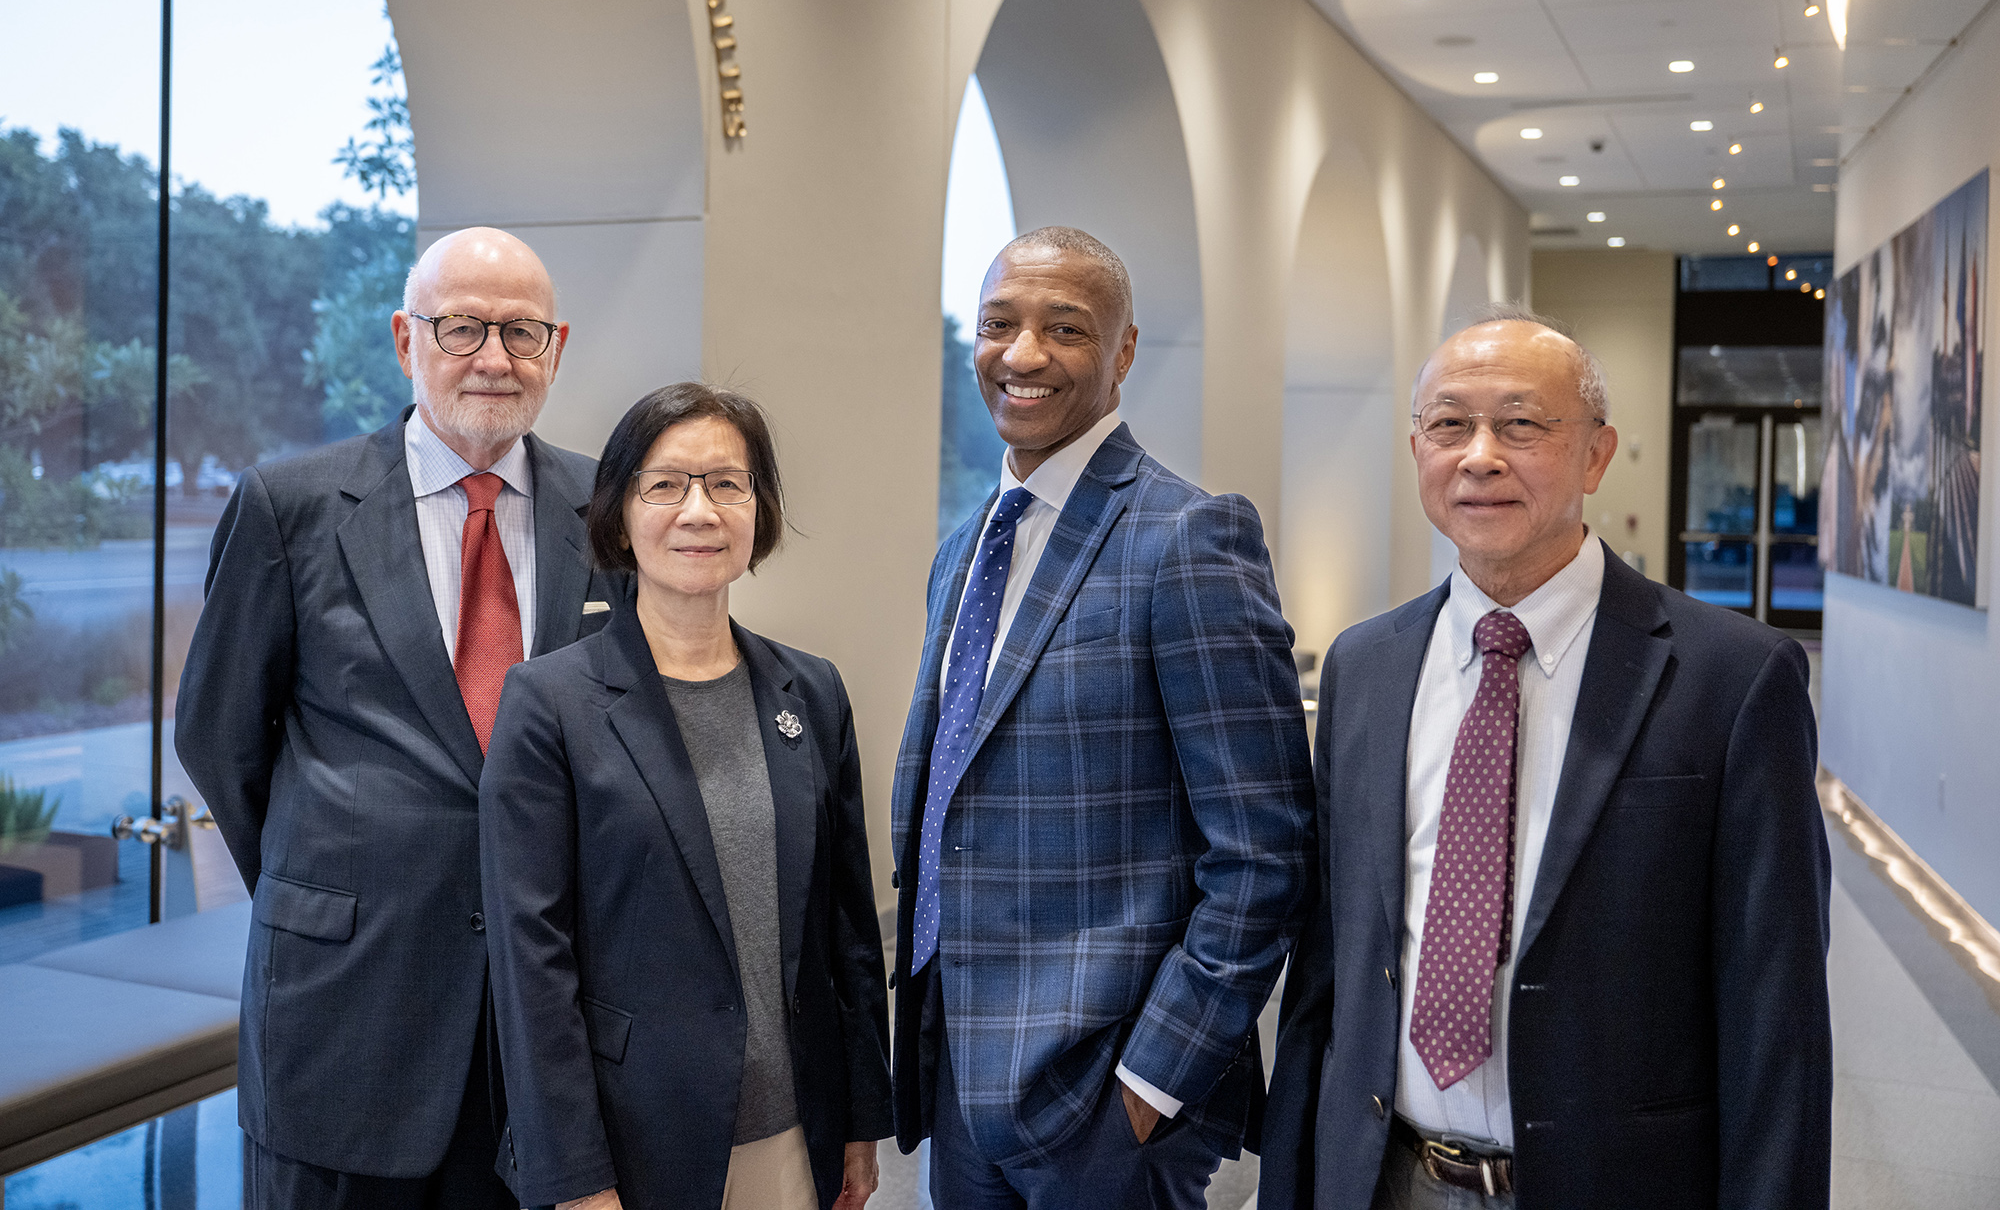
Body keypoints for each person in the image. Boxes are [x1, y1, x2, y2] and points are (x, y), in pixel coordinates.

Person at [1260, 311, 1831, 1210]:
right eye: (1449, 424)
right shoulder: (1364, 667)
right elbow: (1327, 972)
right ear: (1417, 450)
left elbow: (1778, 1018)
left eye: (1521, 424)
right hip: (1382, 1174)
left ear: (1597, 456)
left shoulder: (1734, 678)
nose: (1479, 455)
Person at [177, 227, 627, 1208]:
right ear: (403, 338)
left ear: (557, 347)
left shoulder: (606, 508)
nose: (494, 359)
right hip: (343, 1010)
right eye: (462, 327)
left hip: (545, 1017)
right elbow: (218, 734)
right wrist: (331, 872)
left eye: (520, 332)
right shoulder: (289, 506)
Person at [889, 227, 1315, 1209]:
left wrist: (1149, 1082)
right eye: (999, 324)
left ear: (1122, 351)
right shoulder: (963, 548)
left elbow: (1263, 851)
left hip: (1106, 1105)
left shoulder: (1188, 537)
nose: (1023, 353)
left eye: (1064, 327)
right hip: (958, 1074)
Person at [479, 383, 893, 1210]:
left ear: (758, 509)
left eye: (726, 484)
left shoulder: (809, 690)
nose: (698, 511)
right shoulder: (549, 703)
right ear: (619, 513)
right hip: (632, 1148)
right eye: (664, 484)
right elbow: (532, 967)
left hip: (791, 1132)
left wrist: (859, 1117)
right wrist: (575, 1176)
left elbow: (845, 930)